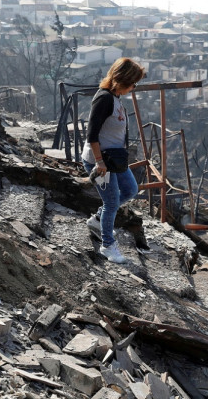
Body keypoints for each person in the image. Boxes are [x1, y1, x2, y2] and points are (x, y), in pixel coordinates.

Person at [82, 57, 145, 264]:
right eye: (133, 83)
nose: (134, 87)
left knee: (130, 190)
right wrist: (99, 162)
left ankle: (98, 220)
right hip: (99, 160)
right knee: (111, 201)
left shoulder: (116, 98)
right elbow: (92, 134)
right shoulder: (104, 98)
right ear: (123, 80)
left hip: (114, 159)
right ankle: (108, 245)